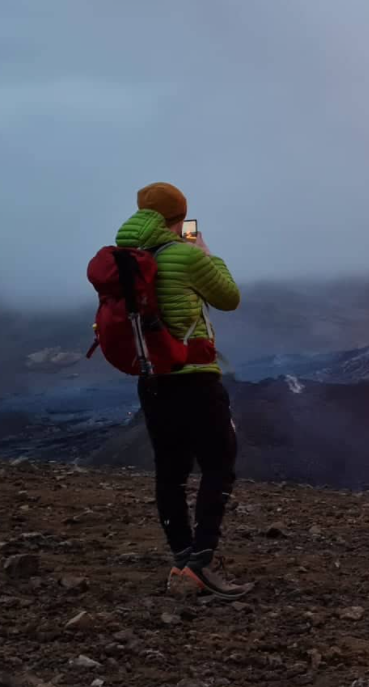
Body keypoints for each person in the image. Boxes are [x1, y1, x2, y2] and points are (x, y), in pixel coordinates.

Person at [118, 182, 248, 600]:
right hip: (194, 375)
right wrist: (207, 254)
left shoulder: (124, 261)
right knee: (218, 462)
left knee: (170, 471)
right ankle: (202, 564)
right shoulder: (186, 255)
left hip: (152, 379)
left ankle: (181, 560)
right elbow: (229, 298)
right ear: (180, 216)